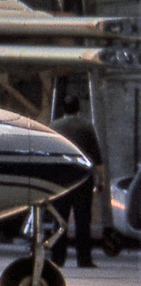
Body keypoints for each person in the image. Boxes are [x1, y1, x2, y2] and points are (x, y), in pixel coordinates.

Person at [52, 93, 103, 269]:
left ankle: (57, 259)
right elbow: (96, 157)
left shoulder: (54, 126)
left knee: (59, 220)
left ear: (64, 109)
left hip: (61, 180)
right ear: (79, 108)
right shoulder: (87, 127)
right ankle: (84, 259)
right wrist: (100, 181)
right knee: (83, 220)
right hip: (82, 178)